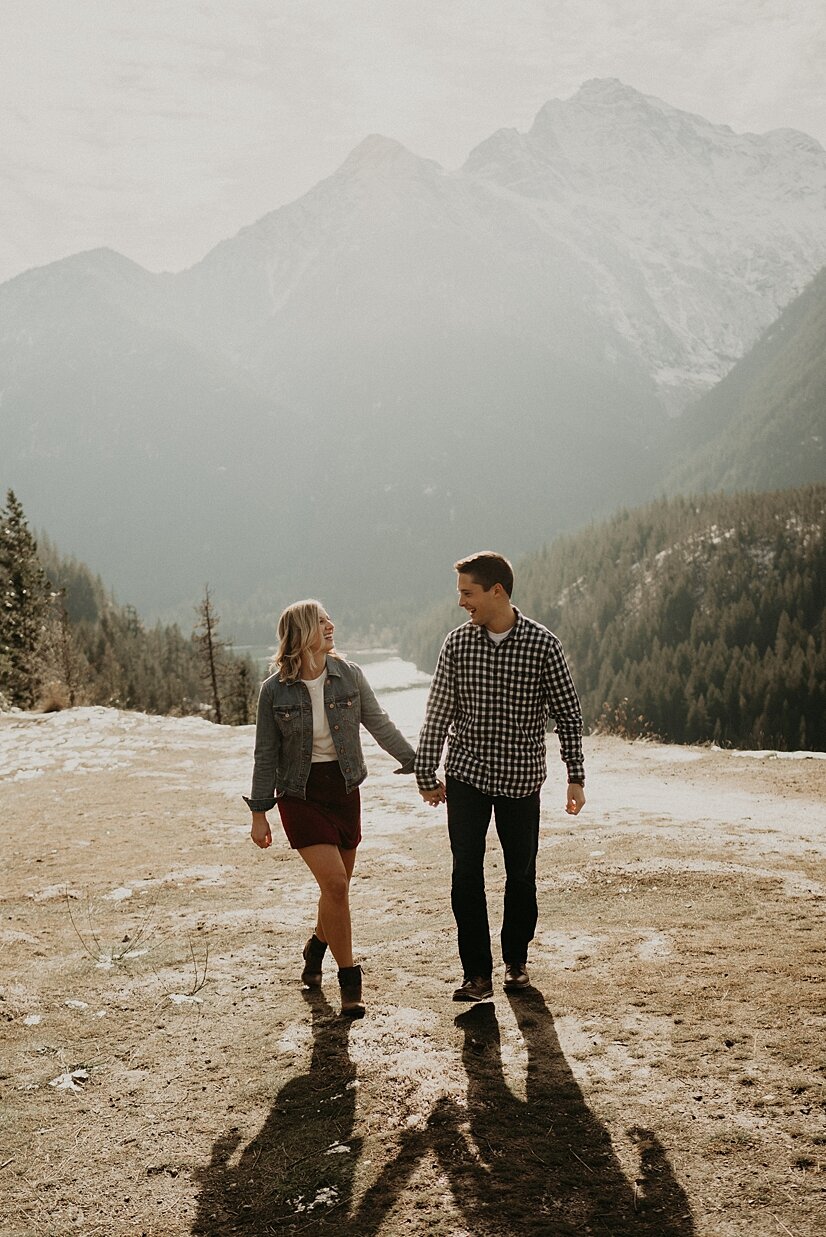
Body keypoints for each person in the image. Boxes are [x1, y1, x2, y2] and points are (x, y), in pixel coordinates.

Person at [415, 552, 585, 1002]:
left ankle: (515, 962)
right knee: (464, 875)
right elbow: (438, 712)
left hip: (521, 780)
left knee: (521, 874)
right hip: (467, 775)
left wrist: (576, 776)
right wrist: (426, 772)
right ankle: (477, 975)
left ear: (497, 591)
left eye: (467, 593)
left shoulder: (543, 645)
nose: (461, 603)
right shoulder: (457, 644)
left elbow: (569, 715)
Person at [244, 599, 416, 1017]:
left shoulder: (349, 676)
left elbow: (379, 723)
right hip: (299, 795)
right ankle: (350, 981)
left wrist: (416, 763)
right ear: (301, 632)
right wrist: (259, 812)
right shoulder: (274, 691)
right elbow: (266, 754)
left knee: (334, 892)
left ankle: (316, 947)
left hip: (343, 790)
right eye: (321, 622)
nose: (330, 626)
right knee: (336, 885)